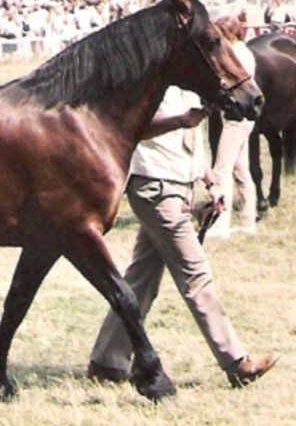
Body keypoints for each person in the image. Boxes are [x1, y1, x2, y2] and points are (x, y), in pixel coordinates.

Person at [87, 86, 279, 389]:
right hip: (155, 186)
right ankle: (237, 362)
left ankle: (107, 361)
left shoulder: (186, 80)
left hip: (178, 186)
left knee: (142, 278)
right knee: (196, 274)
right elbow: (132, 128)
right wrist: (178, 120)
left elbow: (193, 141)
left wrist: (210, 180)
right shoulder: (147, 78)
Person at [208, 16, 257, 238]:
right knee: (241, 170)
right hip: (244, 119)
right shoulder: (245, 52)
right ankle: (248, 220)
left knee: (221, 171)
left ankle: (221, 224)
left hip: (235, 119)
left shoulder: (237, 56)